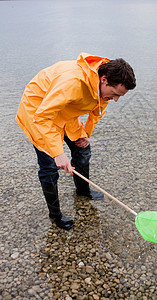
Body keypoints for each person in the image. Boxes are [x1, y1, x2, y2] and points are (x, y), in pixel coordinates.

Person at [16, 52, 136, 230]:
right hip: (39, 111)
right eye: (115, 94)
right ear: (104, 80)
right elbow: (43, 117)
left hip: (65, 110)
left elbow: (97, 112)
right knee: (49, 167)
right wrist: (58, 154)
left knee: (83, 150)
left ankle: (83, 191)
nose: (116, 100)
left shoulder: (104, 90)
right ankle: (55, 216)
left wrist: (86, 134)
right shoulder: (72, 84)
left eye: (120, 96)